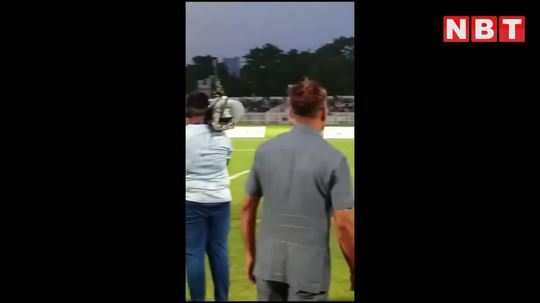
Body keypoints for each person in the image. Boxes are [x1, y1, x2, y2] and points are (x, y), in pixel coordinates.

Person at [240, 79, 355, 301]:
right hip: (309, 272)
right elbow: (343, 223)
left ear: (290, 112)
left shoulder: (265, 151)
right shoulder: (334, 159)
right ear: (323, 112)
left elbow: (247, 208)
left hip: (268, 265)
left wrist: (250, 255)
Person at [185, 92, 232, 301]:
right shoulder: (222, 136)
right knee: (219, 252)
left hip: (192, 198)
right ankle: (222, 298)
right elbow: (226, 163)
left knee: (194, 253)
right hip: (221, 199)